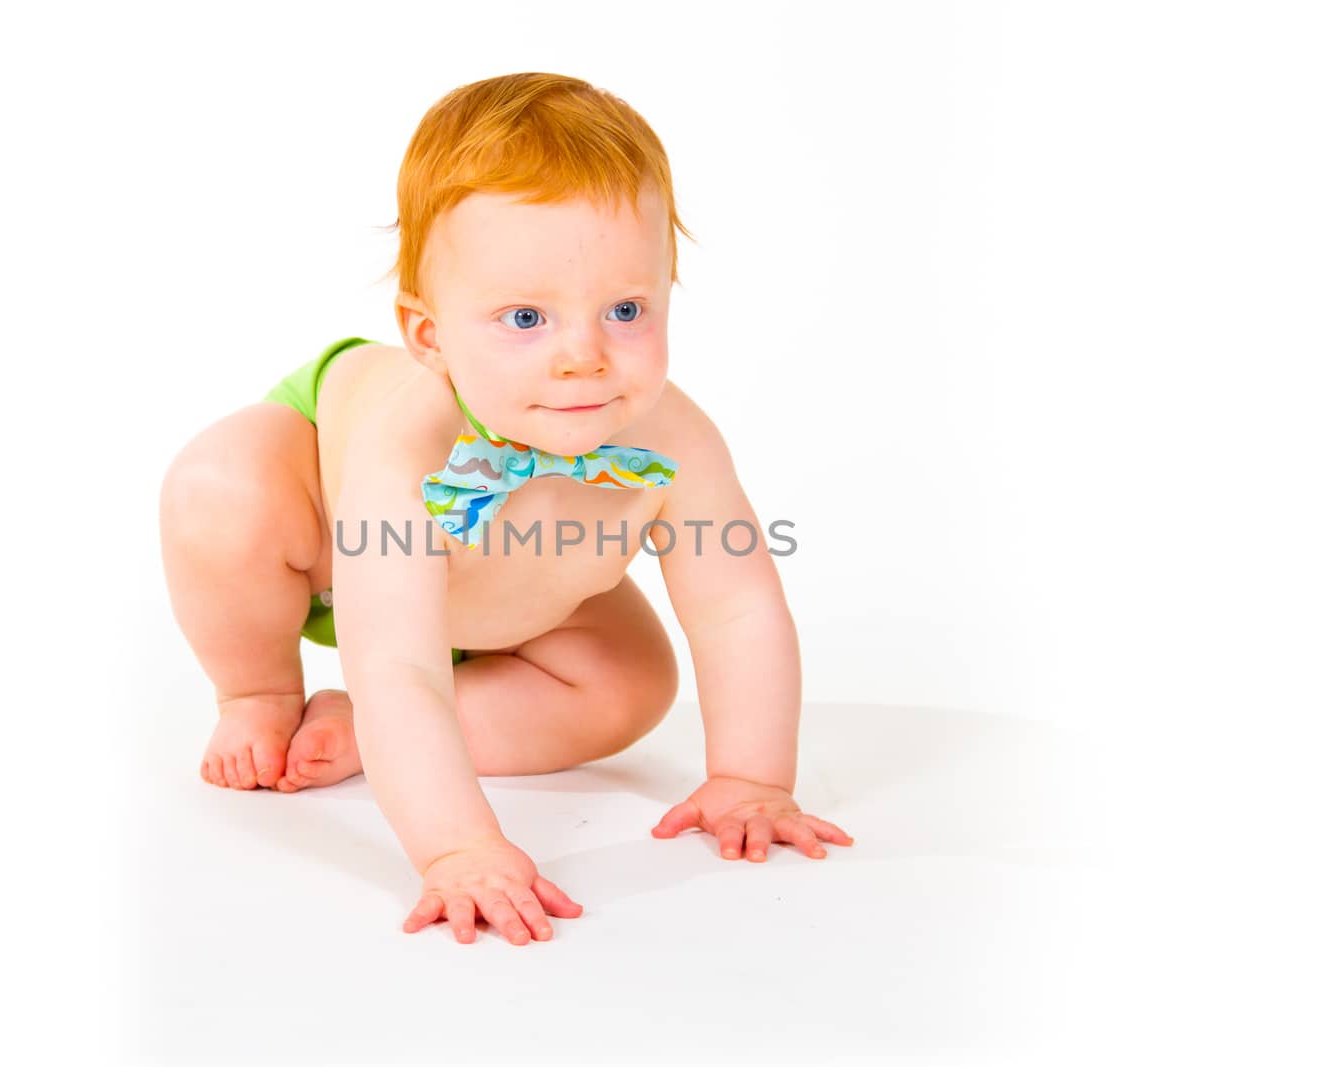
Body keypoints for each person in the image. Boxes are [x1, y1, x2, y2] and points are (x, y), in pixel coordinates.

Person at [158, 72, 854, 946]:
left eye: (626, 309)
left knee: (635, 684)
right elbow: (400, 661)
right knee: (221, 486)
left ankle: (369, 739)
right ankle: (259, 691)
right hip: (340, 561)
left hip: (518, 606)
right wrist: (461, 848)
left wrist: (754, 778)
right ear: (428, 335)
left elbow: (738, 607)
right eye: (526, 317)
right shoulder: (406, 453)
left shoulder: (674, 437)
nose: (583, 357)